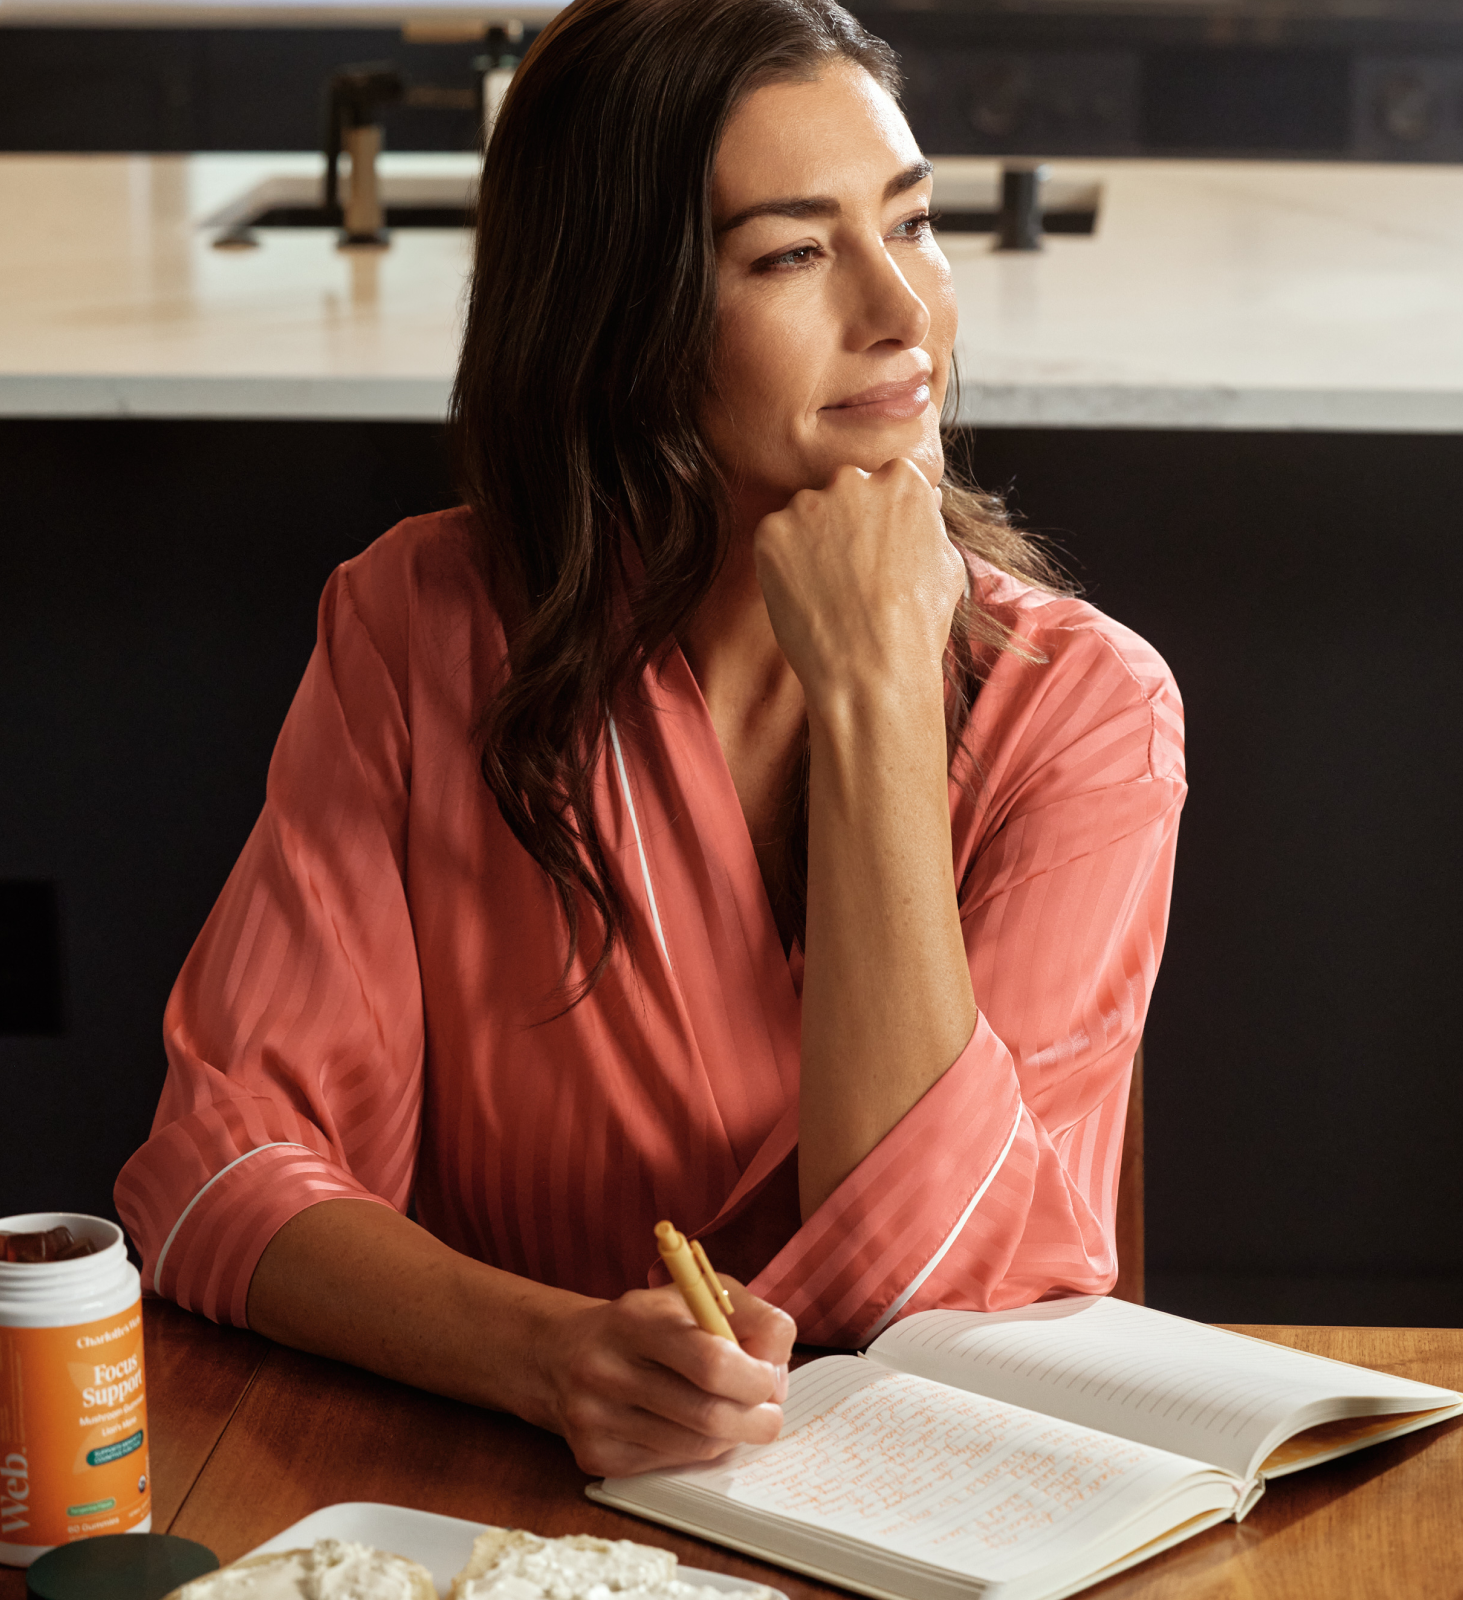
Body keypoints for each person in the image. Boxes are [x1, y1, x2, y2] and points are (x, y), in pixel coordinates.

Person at [116, 0, 1184, 1479]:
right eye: (791, 253)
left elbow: (935, 1291)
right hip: (503, 1495)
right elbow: (212, 1173)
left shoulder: (1087, 713)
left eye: (916, 222)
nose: (901, 311)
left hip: (932, 1524)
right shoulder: (420, 627)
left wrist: (877, 690)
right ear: (623, 315)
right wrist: (550, 1357)